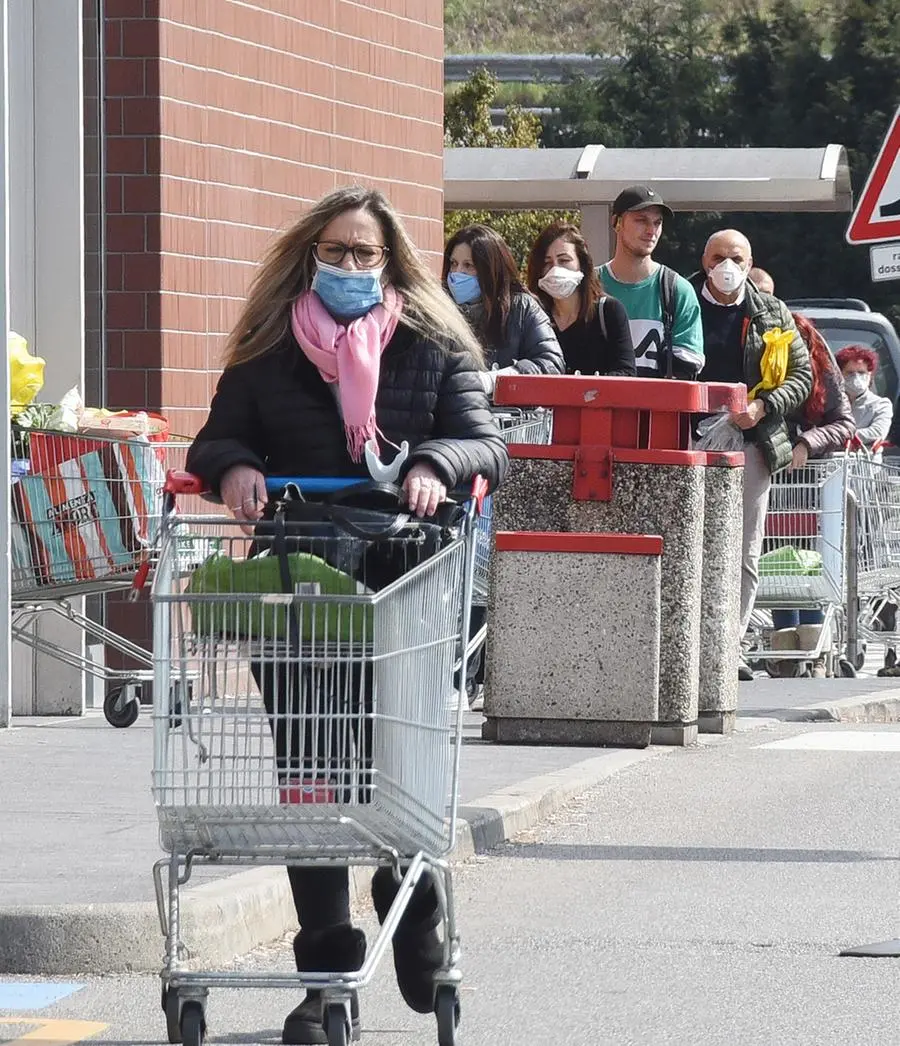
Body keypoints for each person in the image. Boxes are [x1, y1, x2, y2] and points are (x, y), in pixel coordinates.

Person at [185, 186, 509, 1045]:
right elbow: (216, 436)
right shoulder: (266, 351)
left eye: (367, 254)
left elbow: (486, 443)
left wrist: (437, 461)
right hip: (303, 586)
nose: (352, 268)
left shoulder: (433, 346)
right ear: (309, 257)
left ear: (392, 262)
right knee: (312, 781)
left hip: (406, 579)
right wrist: (235, 470)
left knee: (395, 764)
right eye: (337, 252)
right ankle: (325, 971)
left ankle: (416, 910)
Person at [689, 228, 812, 679]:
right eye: (718, 256)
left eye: (736, 258)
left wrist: (763, 406)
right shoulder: (682, 301)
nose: (727, 266)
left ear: (749, 262)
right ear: (704, 261)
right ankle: (689, 640)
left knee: (743, 550)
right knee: (689, 542)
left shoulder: (771, 312)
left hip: (751, 443)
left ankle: (729, 647)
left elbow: (802, 377)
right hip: (686, 440)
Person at [769, 314, 856, 677]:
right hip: (772, 482)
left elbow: (844, 423)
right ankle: (785, 651)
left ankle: (813, 649)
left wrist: (807, 441)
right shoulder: (761, 367)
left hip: (813, 486)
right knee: (774, 566)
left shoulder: (823, 369)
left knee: (810, 566)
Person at [442, 224, 564, 394]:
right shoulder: (441, 310)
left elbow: (551, 364)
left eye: (469, 265)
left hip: (510, 415)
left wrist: (496, 380)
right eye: (453, 264)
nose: (457, 273)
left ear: (490, 269)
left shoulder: (522, 308)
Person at [598, 185, 704, 379]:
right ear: (616, 222)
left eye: (657, 223)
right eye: (641, 220)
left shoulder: (677, 290)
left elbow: (686, 370)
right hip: (598, 405)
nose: (651, 230)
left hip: (657, 408)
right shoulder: (591, 285)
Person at [525, 220, 635, 376]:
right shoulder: (533, 316)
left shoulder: (608, 311)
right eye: (547, 263)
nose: (555, 269)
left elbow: (626, 372)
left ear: (582, 264)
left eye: (564, 260)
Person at [836, 345, 894, 449]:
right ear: (840, 375)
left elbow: (877, 431)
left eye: (861, 373)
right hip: (834, 462)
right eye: (850, 373)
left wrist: (839, 437)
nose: (856, 378)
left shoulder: (881, 404)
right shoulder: (833, 402)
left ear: (869, 375)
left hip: (866, 462)